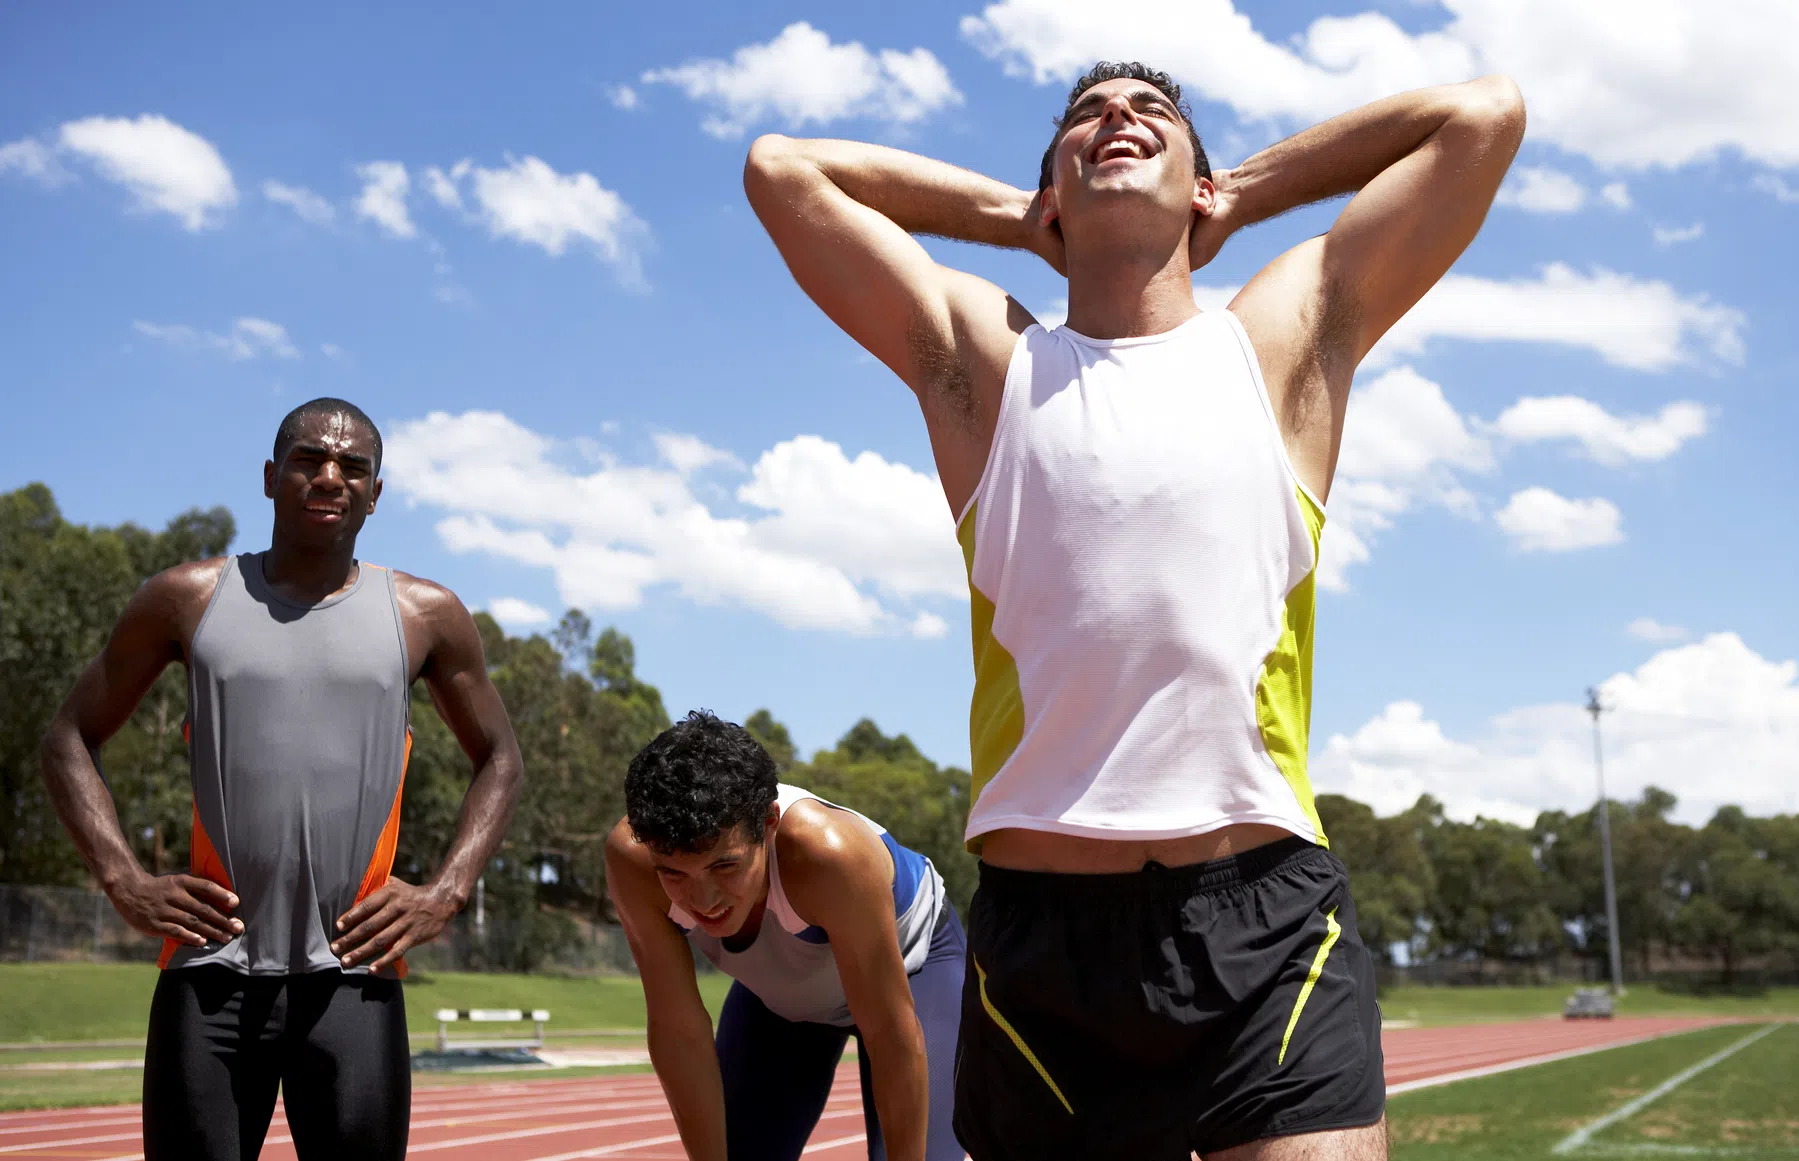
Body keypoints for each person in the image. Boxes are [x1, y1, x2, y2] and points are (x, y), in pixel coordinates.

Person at [744, 62, 1523, 1161]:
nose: (1114, 118)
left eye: (1150, 113)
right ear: (1052, 192)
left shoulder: (1279, 341)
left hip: (1263, 920)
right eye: (1083, 117)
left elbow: (1478, 116)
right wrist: (1022, 220)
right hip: (1043, 944)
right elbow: (784, 171)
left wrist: (1238, 189)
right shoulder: (990, 363)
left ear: (1198, 189)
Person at [39, 397, 525, 1161]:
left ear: (375, 492)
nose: (329, 476)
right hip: (210, 973)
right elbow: (68, 736)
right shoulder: (186, 597)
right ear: (271, 477)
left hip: (354, 977)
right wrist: (124, 880)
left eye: (352, 466)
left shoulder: (426, 614)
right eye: (308, 459)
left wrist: (446, 890)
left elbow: (502, 758)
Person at [606, 711, 964, 1161]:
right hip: (782, 998)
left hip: (914, 971)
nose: (703, 899)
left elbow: (890, 1029)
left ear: (769, 823)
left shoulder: (829, 856)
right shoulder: (632, 862)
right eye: (674, 874)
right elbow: (678, 1028)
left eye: (725, 866)